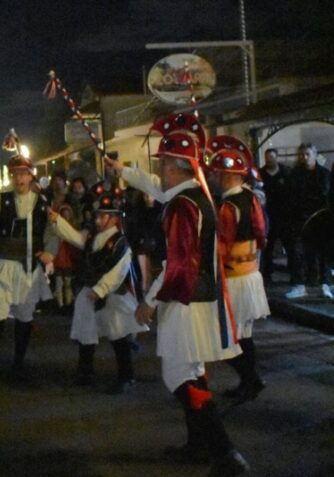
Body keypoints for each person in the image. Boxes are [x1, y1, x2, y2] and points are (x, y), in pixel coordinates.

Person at [133, 113, 249, 475]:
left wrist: (149, 302)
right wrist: (124, 172)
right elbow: (158, 192)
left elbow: (176, 264)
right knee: (193, 374)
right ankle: (199, 446)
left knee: (179, 377)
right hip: (201, 300)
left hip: (185, 302)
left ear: (174, 167)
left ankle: (226, 455)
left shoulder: (183, 207)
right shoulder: (200, 198)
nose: (161, 170)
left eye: (164, 164)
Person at [0, 154, 58, 377]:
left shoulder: (42, 204)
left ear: (31, 175)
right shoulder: (1, 201)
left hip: (29, 269)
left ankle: (19, 364)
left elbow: (52, 233)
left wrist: (49, 252)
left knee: (25, 317)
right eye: (15, 174)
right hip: (4, 269)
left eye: (23, 173)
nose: (19, 178)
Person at [49, 180, 147, 393]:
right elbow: (75, 238)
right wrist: (58, 221)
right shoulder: (92, 236)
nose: (100, 219)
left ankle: (126, 377)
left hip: (111, 296)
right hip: (89, 290)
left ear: (114, 218)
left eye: (105, 216)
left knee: (118, 336)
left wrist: (101, 289)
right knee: (86, 333)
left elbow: (119, 271)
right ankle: (85, 373)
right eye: (99, 215)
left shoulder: (121, 242)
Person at [207, 145, 270, 404]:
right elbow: (262, 235)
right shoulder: (251, 198)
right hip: (251, 274)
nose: (214, 178)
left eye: (217, 174)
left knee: (228, 336)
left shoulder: (228, 207)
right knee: (244, 334)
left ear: (228, 176)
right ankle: (249, 381)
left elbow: (221, 246)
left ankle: (251, 380)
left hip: (234, 276)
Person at [285, 143, 331, 299]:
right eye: (302, 155)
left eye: (307, 154)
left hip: (321, 219)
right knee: (299, 254)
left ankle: (325, 284)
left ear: (314, 154)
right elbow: (291, 197)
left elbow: (326, 195)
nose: (305, 158)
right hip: (300, 220)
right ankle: (300, 284)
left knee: (323, 253)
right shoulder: (295, 174)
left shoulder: (324, 173)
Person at [259, 148, 290, 282]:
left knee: (289, 245)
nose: (269, 160)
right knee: (268, 247)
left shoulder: (286, 173)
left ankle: (294, 273)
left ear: (277, 157)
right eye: (267, 157)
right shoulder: (261, 174)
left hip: (284, 214)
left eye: (272, 157)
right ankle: (268, 274)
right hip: (268, 214)